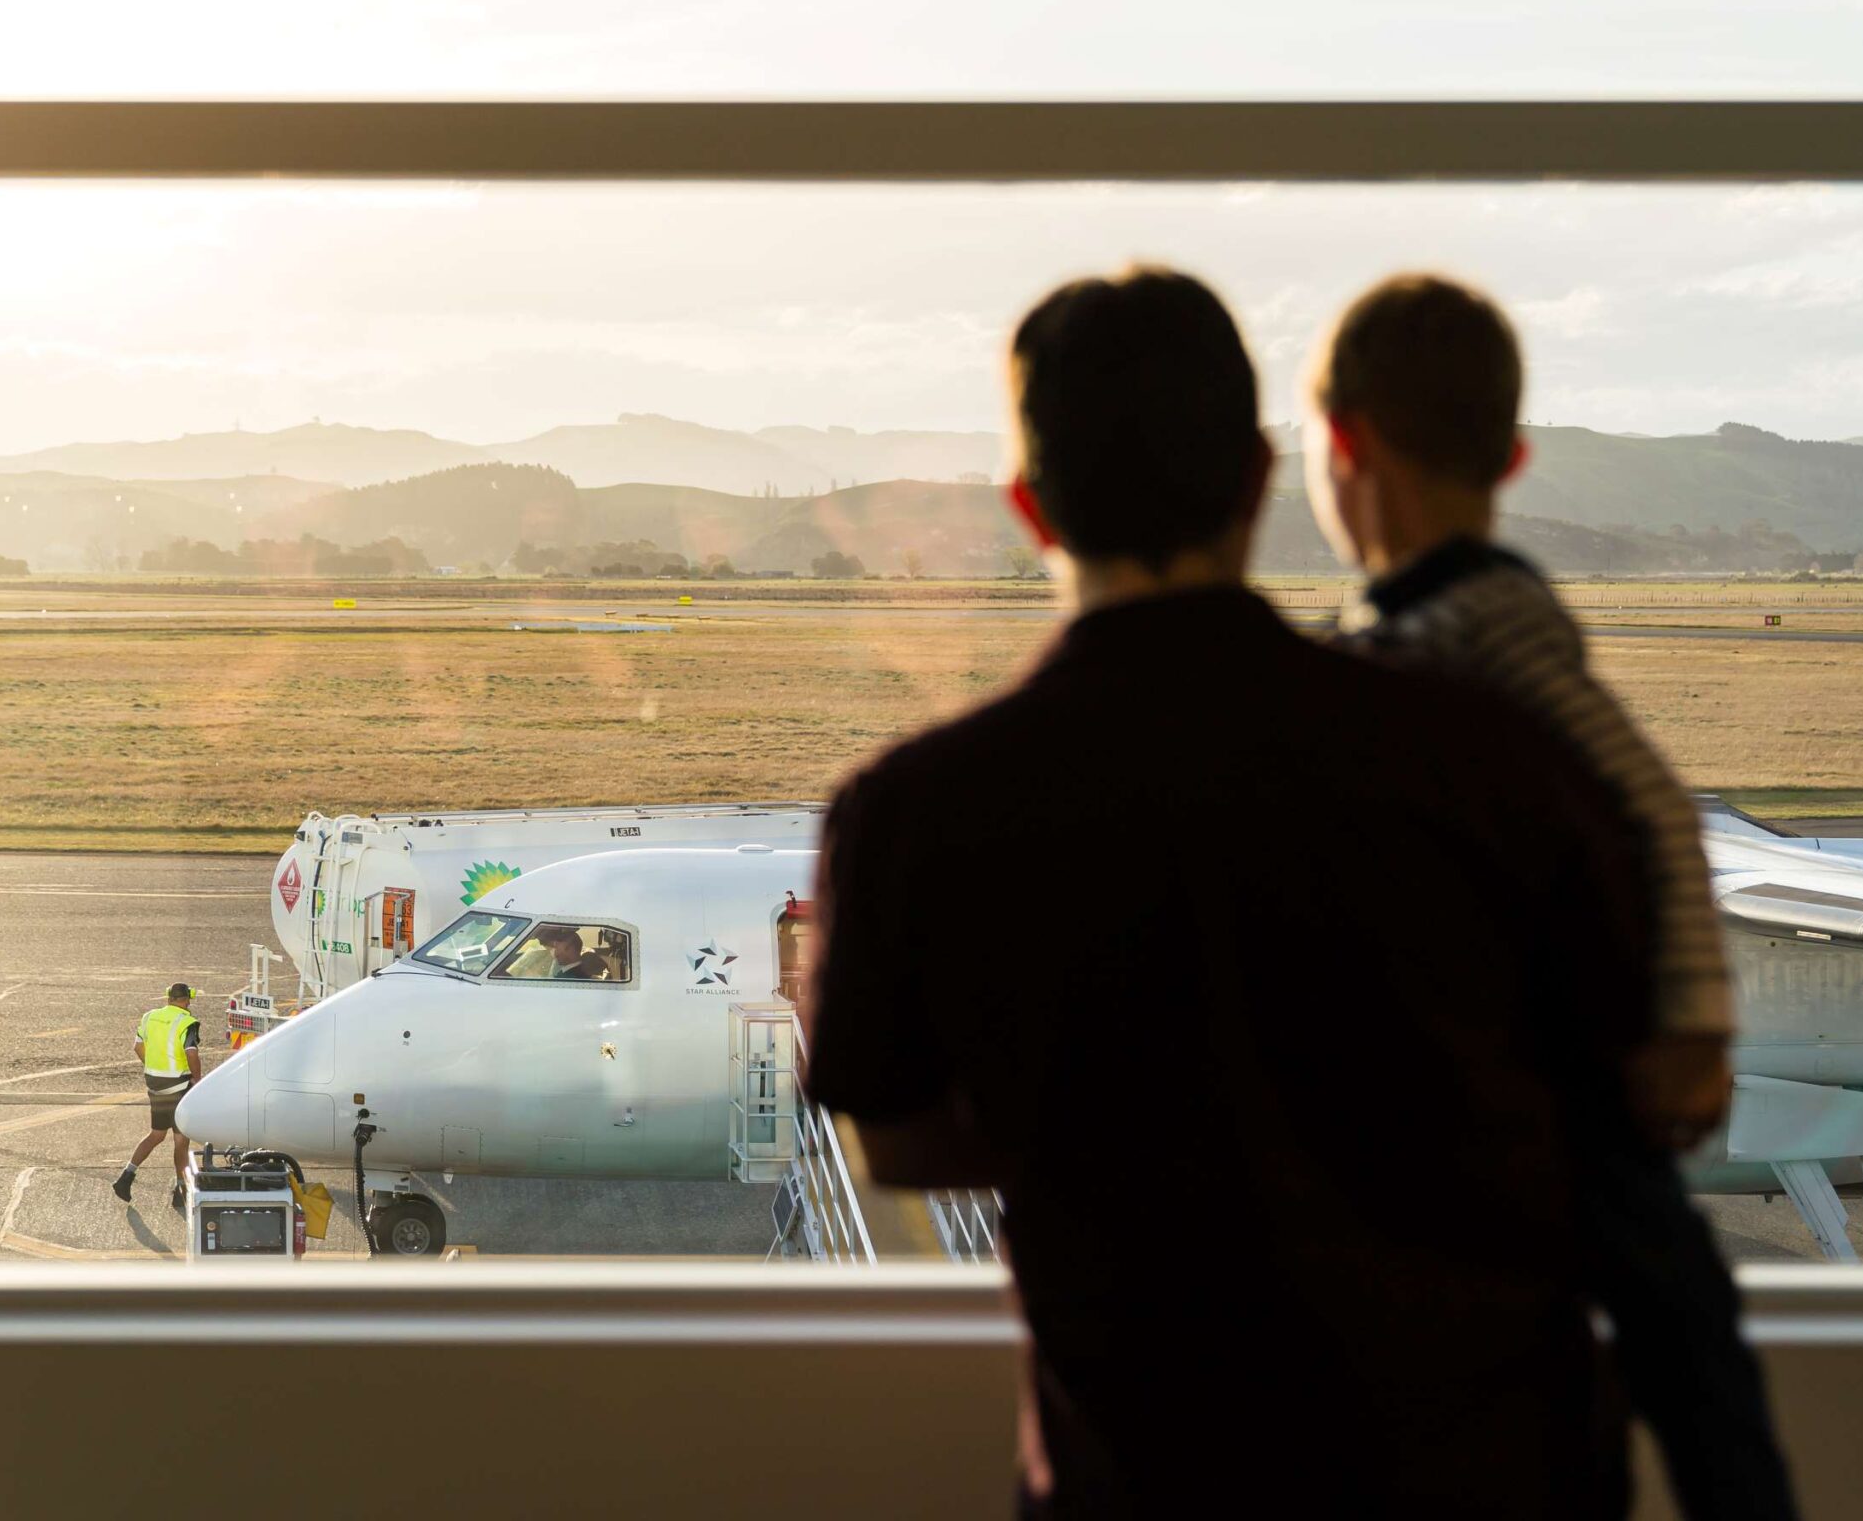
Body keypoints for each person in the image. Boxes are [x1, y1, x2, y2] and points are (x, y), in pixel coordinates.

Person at [803, 265, 1661, 1517]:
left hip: (1153, 1470)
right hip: (1497, 1466)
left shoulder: (912, 809)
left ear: (1032, 509)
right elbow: (1621, 1068)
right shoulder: (1489, 757)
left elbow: (899, 1136)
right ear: (1261, 482)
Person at [1307, 272, 1796, 1520]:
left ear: (1341, 449)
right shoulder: (1409, 625)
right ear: (1514, 453)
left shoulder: (1485, 618)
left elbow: (1651, 806)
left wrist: (1692, 1019)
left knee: (1674, 1318)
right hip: (1531, 1060)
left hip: (1569, 1059)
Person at [114, 982, 201, 1211]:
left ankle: (126, 1176)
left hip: (155, 1085)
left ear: (168, 997)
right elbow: (191, 1052)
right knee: (181, 1141)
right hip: (179, 1086)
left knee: (156, 1134)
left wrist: (152, 1066)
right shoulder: (187, 1022)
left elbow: (137, 1046)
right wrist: (197, 1079)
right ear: (187, 1000)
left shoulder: (149, 1017)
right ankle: (180, 1190)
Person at [539, 925, 612, 981]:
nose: (555, 952)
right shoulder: (579, 973)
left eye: (557, 947)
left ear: (569, 949)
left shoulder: (569, 978)